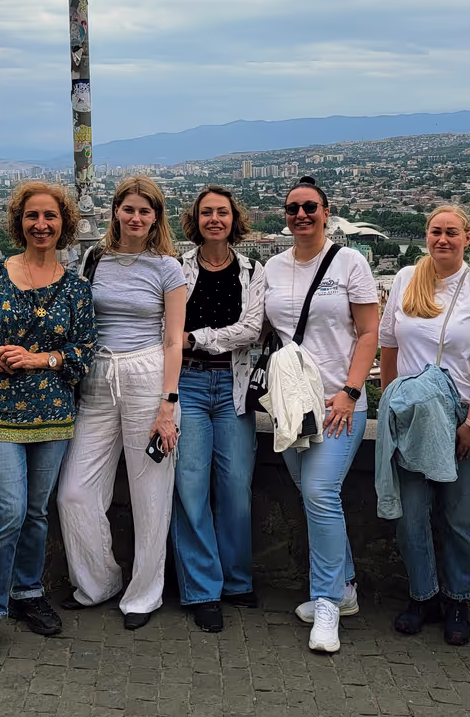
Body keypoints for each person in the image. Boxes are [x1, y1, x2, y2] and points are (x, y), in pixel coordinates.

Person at [0, 181, 96, 660]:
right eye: (32, 216)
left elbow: (83, 353)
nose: (41, 224)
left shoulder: (76, 289)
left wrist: (40, 359)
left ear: (64, 224)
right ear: (20, 222)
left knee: (35, 512)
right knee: (8, 512)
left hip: (51, 415)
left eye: (50, 216)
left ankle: (27, 592)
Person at [57, 176, 186, 631]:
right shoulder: (95, 259)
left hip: (147, 375)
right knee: (75, 491)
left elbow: (174, 340)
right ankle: (98, 582)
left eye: (144, 211)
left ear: (156, 217)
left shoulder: (168, 268)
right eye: (128, 209)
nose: (135, 217)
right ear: (115, 211)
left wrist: (167, 406)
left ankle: (144, 594)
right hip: (98, 375)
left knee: (151, 493)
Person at [378, 206, 470, 645]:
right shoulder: (405, 279)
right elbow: (389, 347)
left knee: (459, 514)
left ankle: (458, 599)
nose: (443, 239)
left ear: (467, 237)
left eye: (452, 232)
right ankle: (423, 595)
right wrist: (391, 403)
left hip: (463, 413)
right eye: (436, 231)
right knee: (411, 514)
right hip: (413, 414)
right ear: (426, 234)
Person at [263, 176, 379, 653]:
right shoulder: (272, 267)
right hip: (293, 404)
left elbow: (369, 332)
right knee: (312, 495)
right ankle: (344, 586)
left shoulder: (351, 262)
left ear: (326, 213)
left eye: (310, 207)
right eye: (293, 208)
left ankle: (327, 601)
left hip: (338, 402)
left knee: (319, 491)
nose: (301, 215)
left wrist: (351, 391)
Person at [171, 186, 265, 633]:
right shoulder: (177, 269)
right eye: (206, 212)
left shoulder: (252, 270)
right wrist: (192, 341)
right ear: (195, 220)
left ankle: (236, 579)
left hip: (233, 385)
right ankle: (202, 589)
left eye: (222, 212)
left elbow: (251, 329)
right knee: (190, 487)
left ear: (233, 219)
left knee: (235, 488)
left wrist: (196, 337)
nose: (214, 219)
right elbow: (167, 328)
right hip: (187, 384)